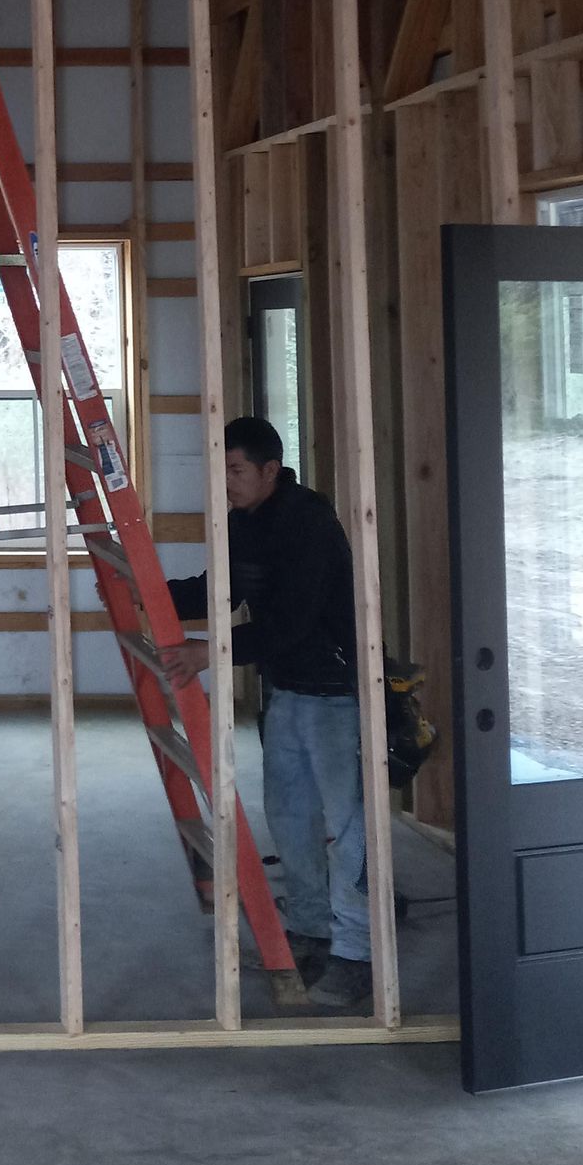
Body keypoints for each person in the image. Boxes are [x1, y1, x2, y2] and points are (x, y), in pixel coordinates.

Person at [165, 417, 372, 1012]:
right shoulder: (243, 523)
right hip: (287, 691)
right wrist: (147, 590)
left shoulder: (308, 524)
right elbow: (221, 589)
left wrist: (210, 652)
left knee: (349, 828)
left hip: (336, 692)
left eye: (235, 470)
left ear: (269, 470)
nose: (226, 482)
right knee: (290, 817)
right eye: (221, 471)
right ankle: (310, 931)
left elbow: (292, 623)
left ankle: (357, 955)